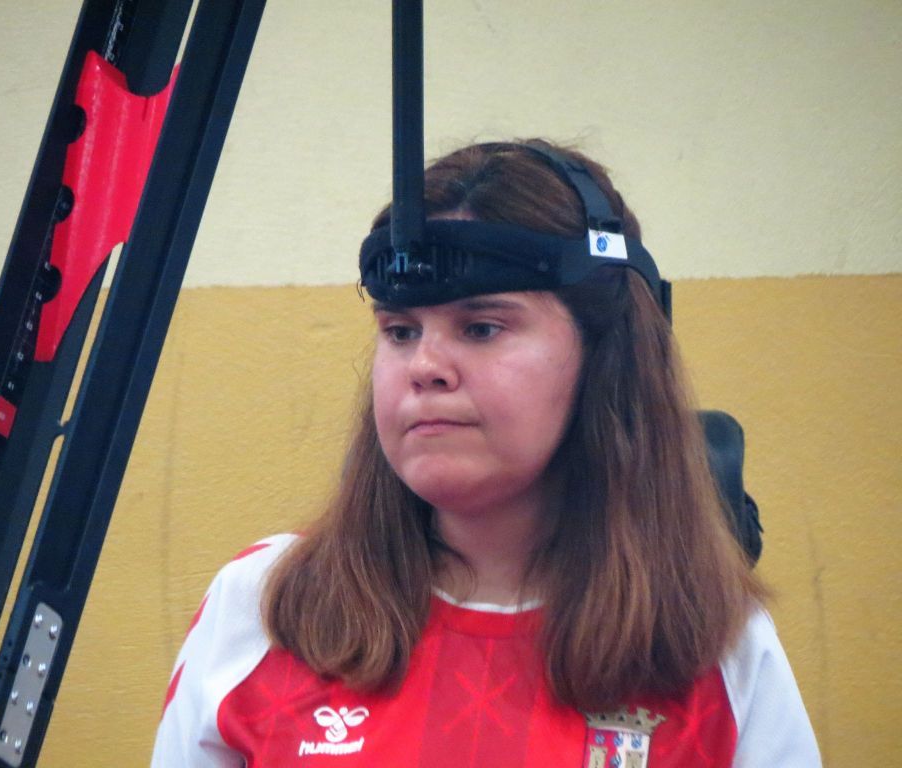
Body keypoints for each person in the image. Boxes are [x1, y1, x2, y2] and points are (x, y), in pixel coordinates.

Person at [151, 140, 821, 766]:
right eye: (400, 331)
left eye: (481, 327)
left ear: (605, 360)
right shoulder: (264, 607)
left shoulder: (718, 644)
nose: (425, 366)